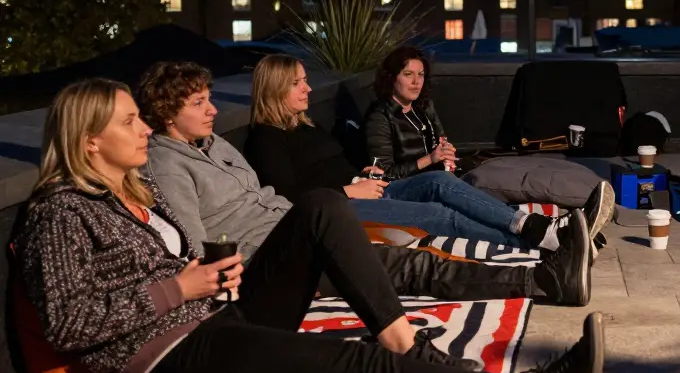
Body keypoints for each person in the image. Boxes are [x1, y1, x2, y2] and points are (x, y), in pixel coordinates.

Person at [13, 78, 605, 373]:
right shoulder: (59, 212)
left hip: (217, 319)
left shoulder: (135, 192)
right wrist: (180, 287)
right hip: (168, 363)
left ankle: (404, 337)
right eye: (129, 122)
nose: (143, 128)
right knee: (354, 366)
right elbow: (68, 322)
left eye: (142, 118)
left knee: (323, 206)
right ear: (90, 142)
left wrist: (206, 280)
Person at [136, 61, 591, 309]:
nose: (213, 109)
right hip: (298, 233)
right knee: (427, 234)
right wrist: (342, 196)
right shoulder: (188, 158)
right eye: (200, 103)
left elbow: (267, 195)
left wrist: (357, 179)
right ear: (166, 113)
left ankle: (542, 239)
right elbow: (200, 248)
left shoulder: (217, 144)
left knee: (436, 188)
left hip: (314, 214)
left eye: (211, 99)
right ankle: (544, 264)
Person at [243, 54, 600, 252]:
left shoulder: (306, 126)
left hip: (362, 189)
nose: (307, 88)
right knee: (434, 212)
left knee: (439, 182)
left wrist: (363, 175)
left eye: (306, 79)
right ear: (275, 88)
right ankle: (545, 242)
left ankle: (530, 224)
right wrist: (347, 191)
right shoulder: (266, 137)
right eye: (298, 82)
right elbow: (285, 196)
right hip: (336, 206)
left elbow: (336, 166)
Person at [363, 46, 614, 241]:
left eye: (420, 75)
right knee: (502, 183)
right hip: (423, 184)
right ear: (391, 78)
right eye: (408, 75)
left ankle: (568, 217)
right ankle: (548, 226)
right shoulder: (379, 117)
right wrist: (430, 159)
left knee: (521, 166)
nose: (416, 82)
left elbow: (441, 140)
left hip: (450, 173)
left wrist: (446, 154)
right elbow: (384, 176)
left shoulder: (422, 106)